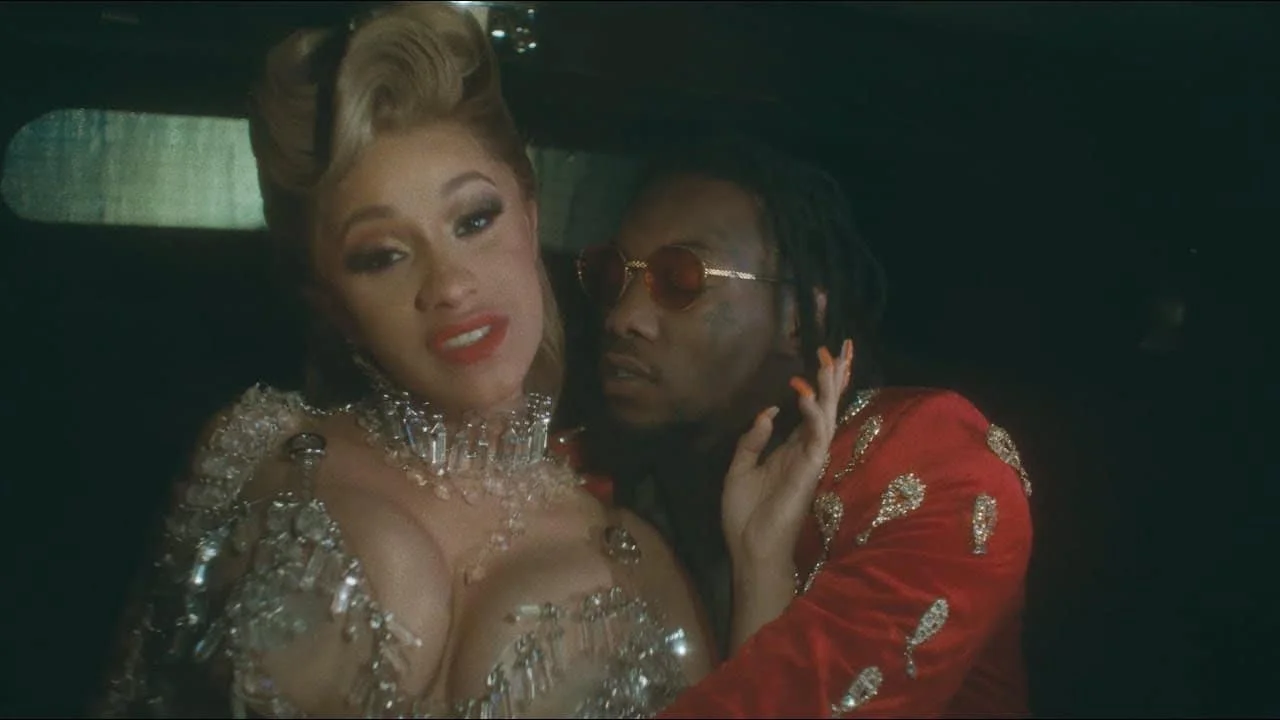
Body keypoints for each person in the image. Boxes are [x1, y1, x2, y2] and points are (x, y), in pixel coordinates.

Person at [91, 5, 734, 717]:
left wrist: (765, 585)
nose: (449, 285)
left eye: (474, 220)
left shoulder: (641, 566)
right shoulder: (253, 450)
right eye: (382, 255)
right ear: (331, 301)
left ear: (529, 218)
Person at [570, 135, 1035, 717]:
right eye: (612, 276)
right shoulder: (602, 472)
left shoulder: (929, 465)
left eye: (680, 279)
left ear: (798, 317)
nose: (622, 318)